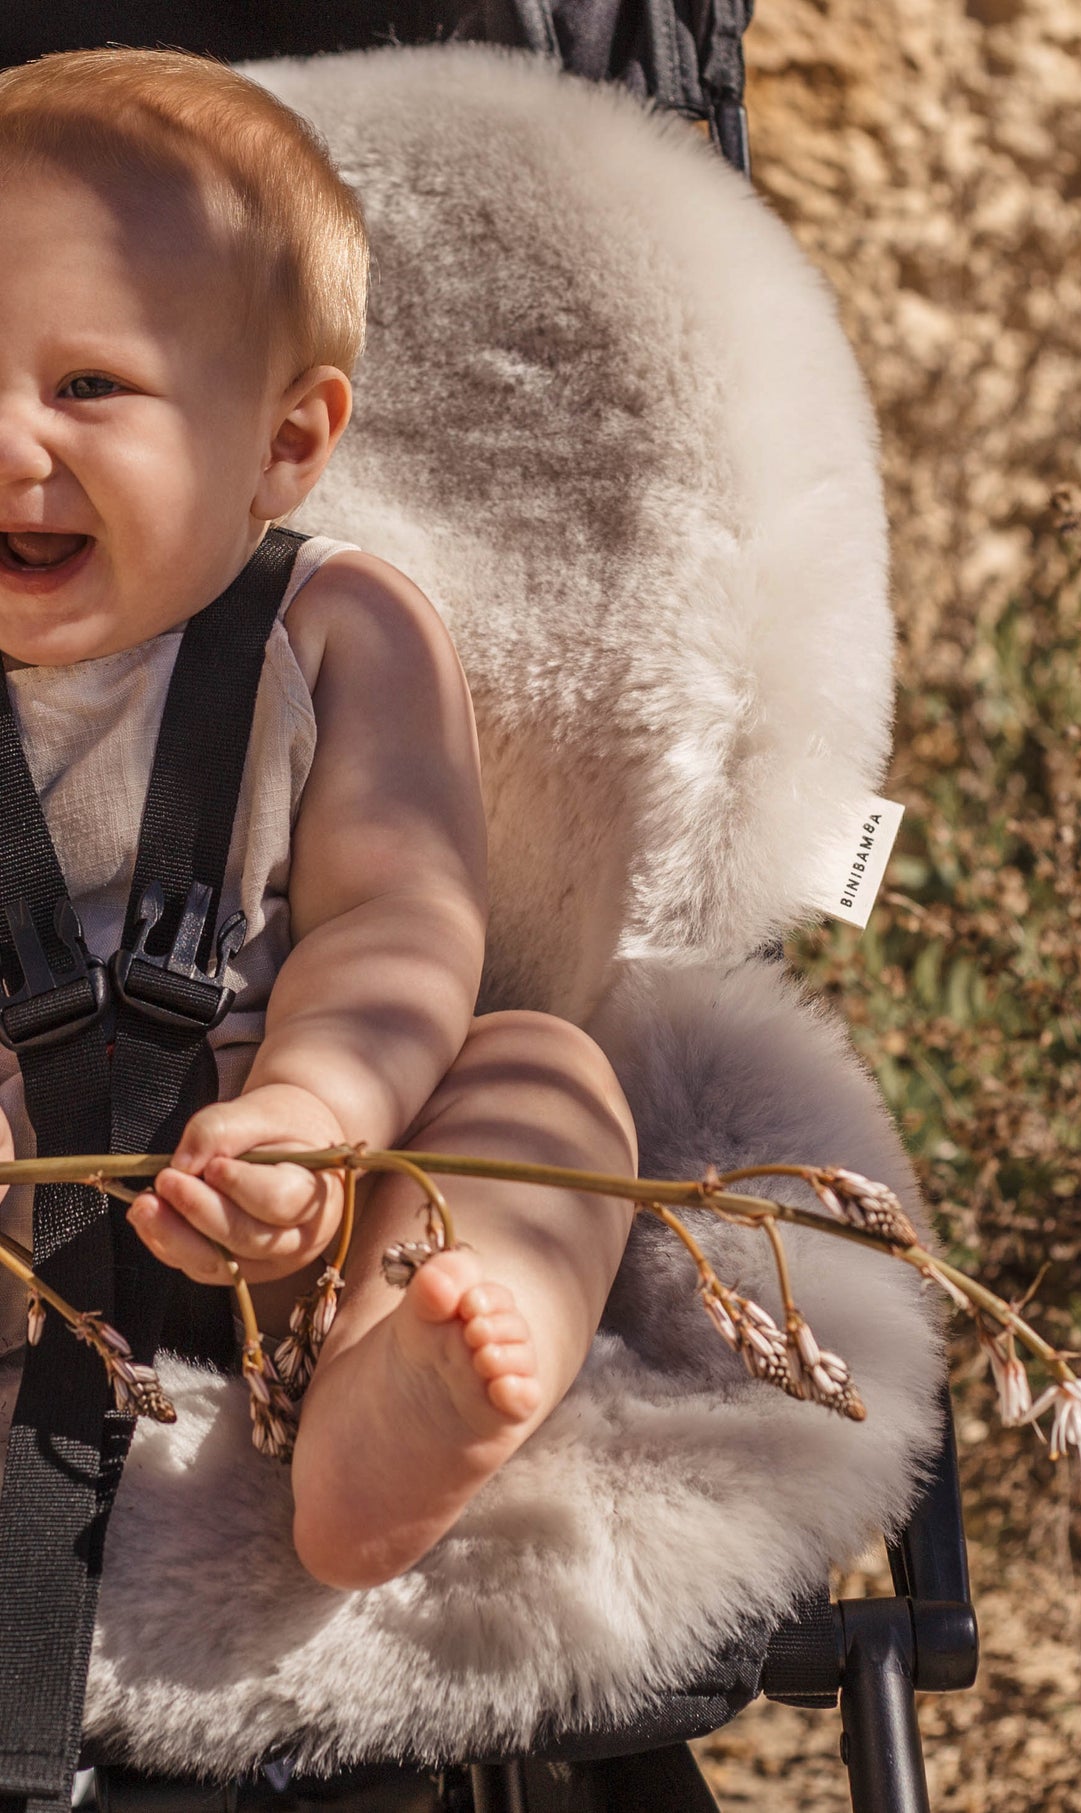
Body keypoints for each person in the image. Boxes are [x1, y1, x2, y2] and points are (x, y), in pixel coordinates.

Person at [0, 47, 638, 1590]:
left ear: (287, 445)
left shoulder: (339, 631)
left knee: (546, 1080)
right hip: (23, 1225)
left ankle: (382, 1403)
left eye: (89, 386)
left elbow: (396, 920)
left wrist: (315, 1116)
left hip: (298, 1207)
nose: (11, 446)